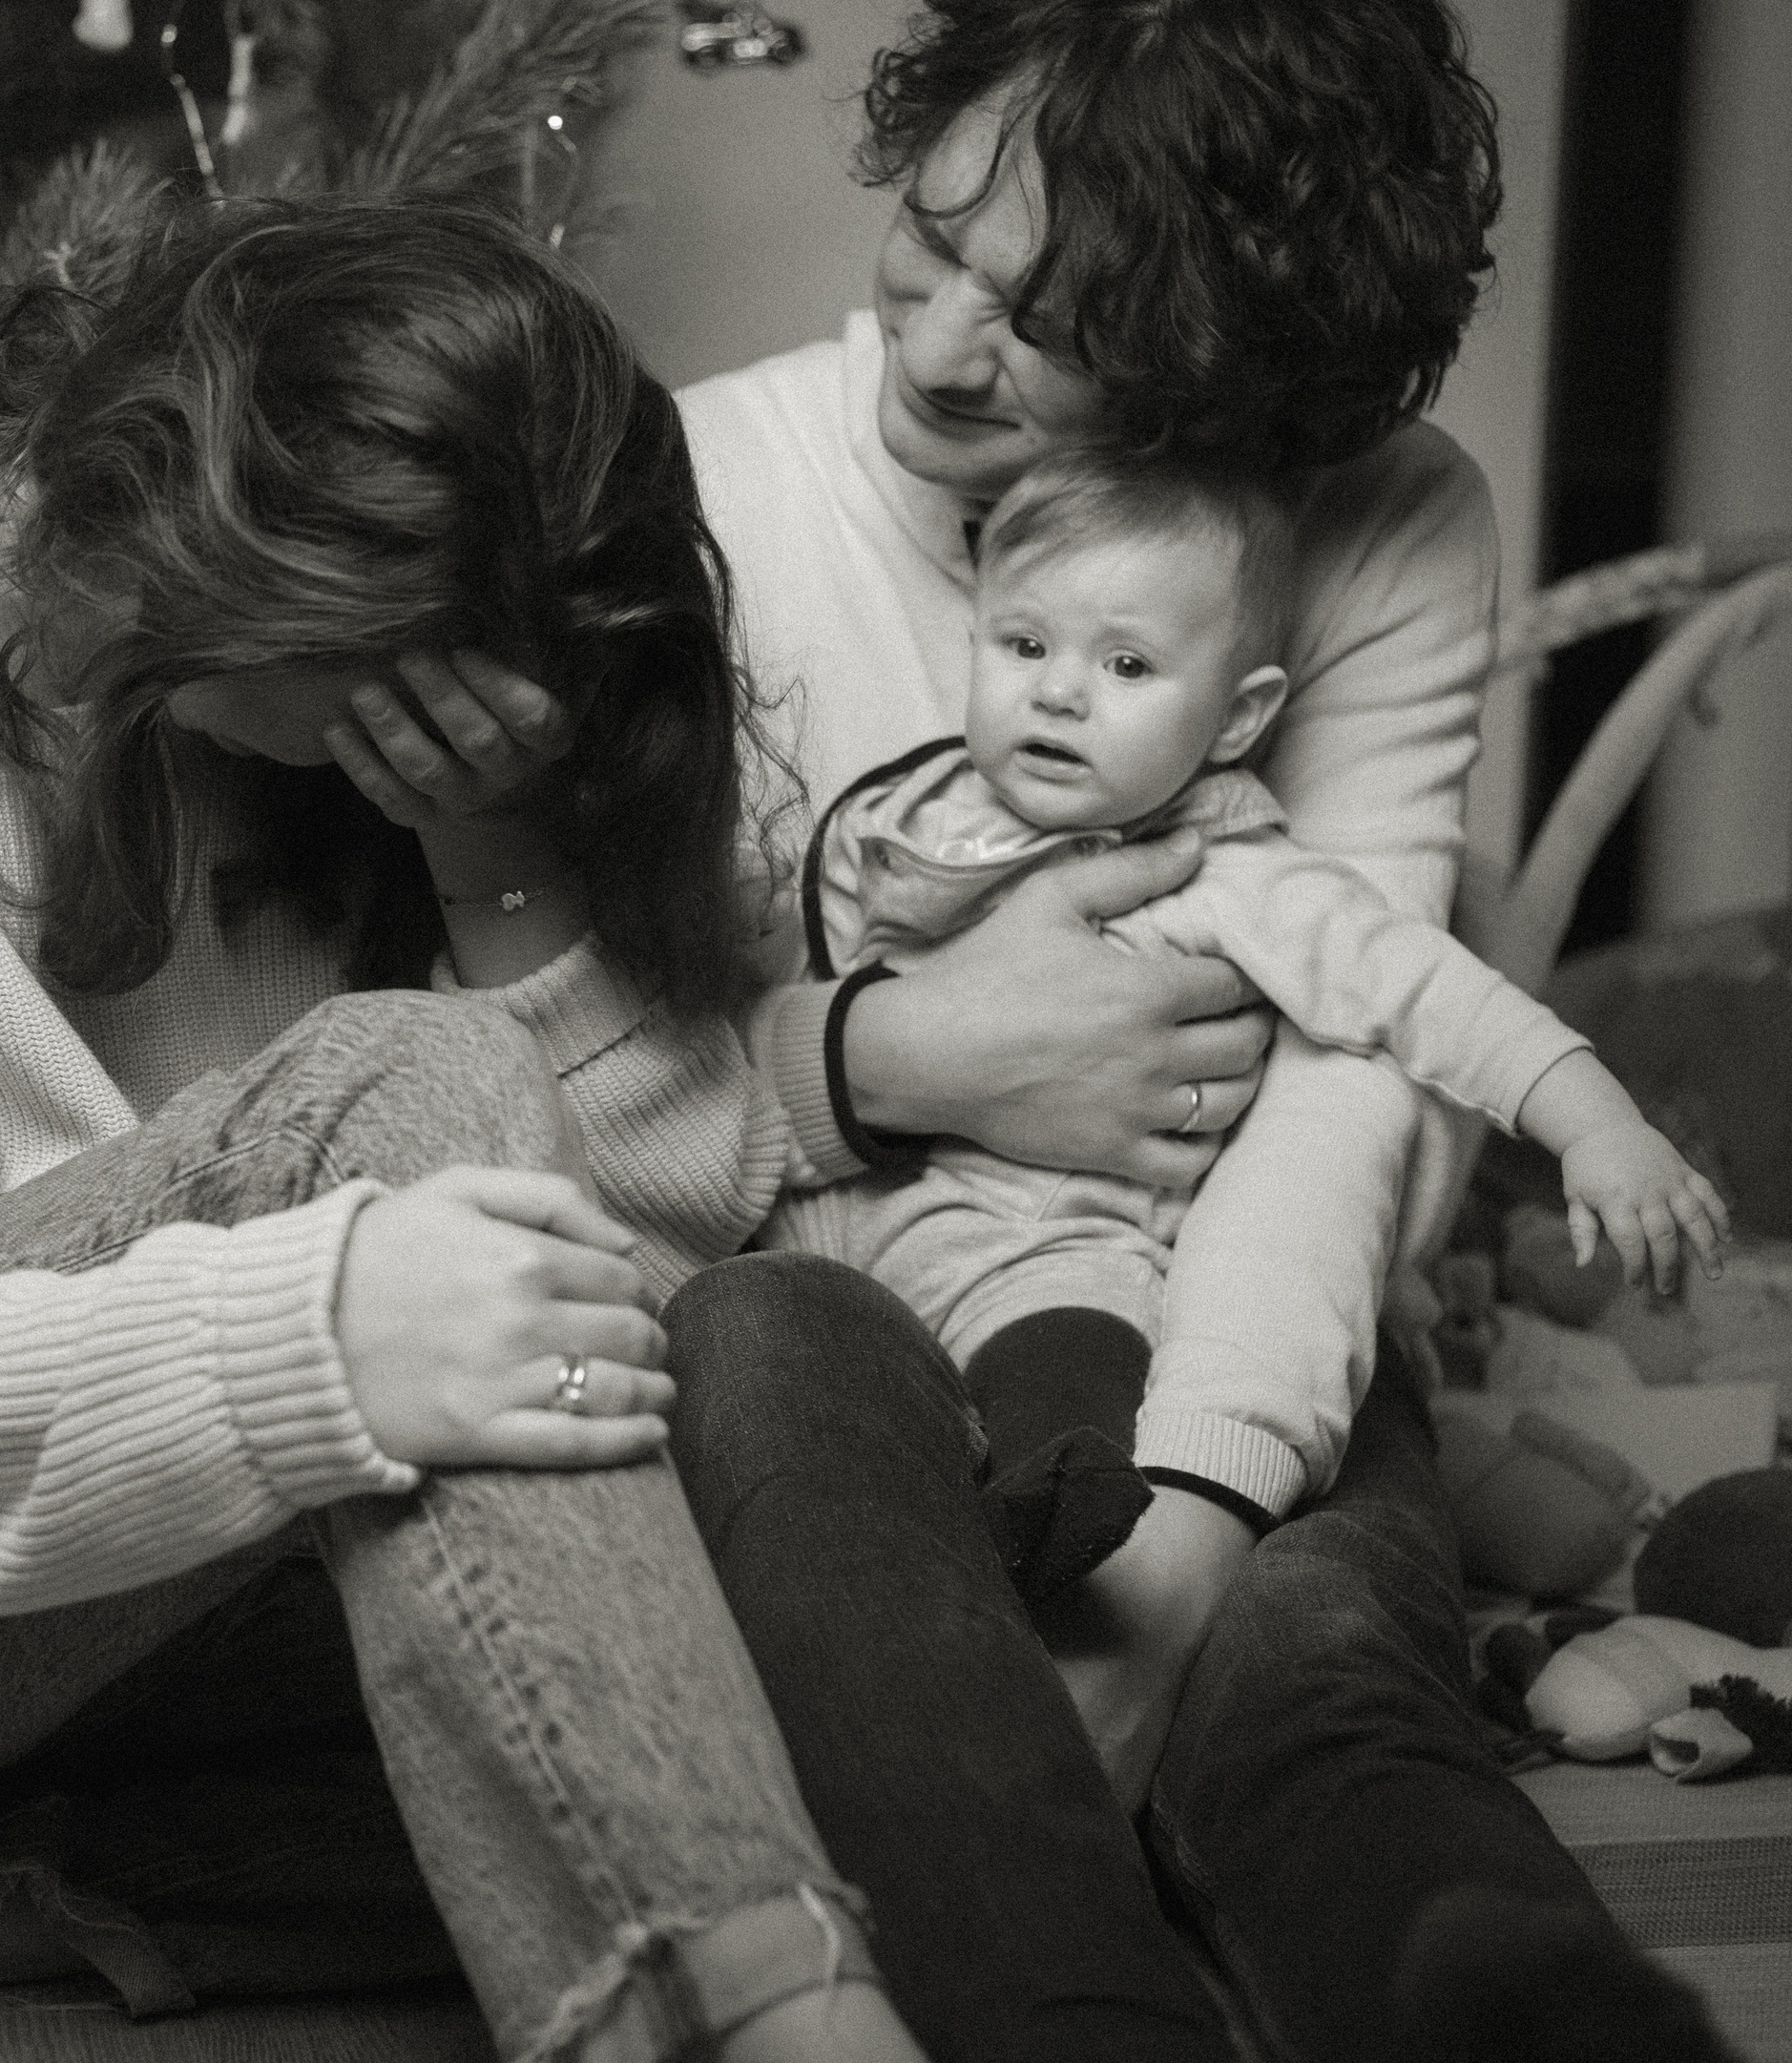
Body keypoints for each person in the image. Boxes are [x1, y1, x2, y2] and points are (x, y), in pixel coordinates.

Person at [0, 197, 929, 2063]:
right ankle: (764, 2033)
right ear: (244, 564)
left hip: (112, 1599)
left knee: (825, 1626)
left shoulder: (379, 749)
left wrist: (497, 845)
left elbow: (613, 1265)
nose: (422, 730)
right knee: (409, 1106)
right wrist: (308, 1344)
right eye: (402, 683)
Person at [661, 5, 1744, 2061]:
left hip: (1241, 1301)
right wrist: (902, 1055)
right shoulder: (693, 494)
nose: (938, 341)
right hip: (834, 1286)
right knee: (811, 1453)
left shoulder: (1371, 512)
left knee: (1316, 1651)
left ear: (1234, 376)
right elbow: (550, 1078)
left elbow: (1365, 1070)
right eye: (931, 234)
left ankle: (1511, 2007)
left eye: (1052, 318)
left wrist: (1196, 1524)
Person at [767, 446, 1730, 1596]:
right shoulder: (909, 805)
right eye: (1022, 644)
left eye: (1126, 663)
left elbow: (1427, 991)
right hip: (834, 1237)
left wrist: (1595, 1123)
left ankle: (1049, 1543)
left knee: (1074, 1358)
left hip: (1045, 1252)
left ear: (1235, 718)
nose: (1058, 690)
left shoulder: (1233, 877)